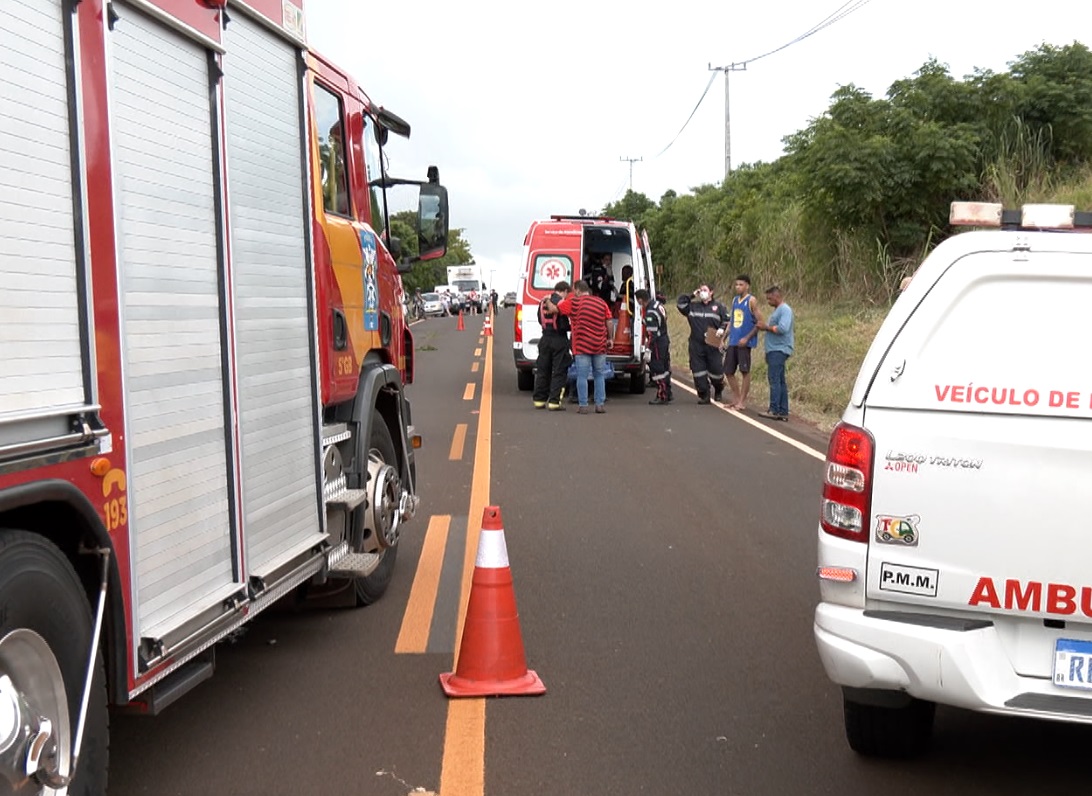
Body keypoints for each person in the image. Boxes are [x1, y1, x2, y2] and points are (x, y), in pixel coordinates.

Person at [550, 280, 613, 414]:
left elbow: (554, 309)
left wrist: (547, 300)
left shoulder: (574, 303)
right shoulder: (601, 302)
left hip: (582, 345)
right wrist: (610, 338)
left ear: (578, 290)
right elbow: (609, 321)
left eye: (574, 291)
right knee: (599, 375)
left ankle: (583, 405)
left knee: (582, 376)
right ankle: (599, 404)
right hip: (600, 344)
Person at [676, 284, 728, 404]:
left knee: (716, 372)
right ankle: (704, 394)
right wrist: (692, 295)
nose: (702, 293)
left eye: (705, 290)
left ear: (711, 292)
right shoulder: (693, 307)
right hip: (696, 343)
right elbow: (680, 304)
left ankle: (719, 389)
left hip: (713, 342)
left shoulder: (719, 307)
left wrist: (721, 329)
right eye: (700, 290)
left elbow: (727, 320)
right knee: (698, 371)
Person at [532, 281, 572, 411]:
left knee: (543, 369)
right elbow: (566, 322)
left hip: (545, 339)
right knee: (559, 371)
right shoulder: (561, 302)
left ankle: (539, 400)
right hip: (559, 339)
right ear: (565, 291)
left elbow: (539, 319)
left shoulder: (543, 302)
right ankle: (554, 402)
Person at [724, 274, 761, 411]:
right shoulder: (735, 300)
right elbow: (732, 321)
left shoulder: (751, 301)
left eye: (741, 284)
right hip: (733, 340)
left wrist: (747, 338)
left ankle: (742, 401)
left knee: (745, 371)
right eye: (736, 285)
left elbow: (760, 322)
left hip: (744, 343)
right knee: (728, 371)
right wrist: (724, 338)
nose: (738, 287)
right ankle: (736, 398)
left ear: (747, 286)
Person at [756, 285, 794, 420]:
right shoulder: (778, 310)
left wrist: (766, 327)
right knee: (780, 380)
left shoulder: (784, 310)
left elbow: (783, 328)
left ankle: (774, 409)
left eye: (770, 298)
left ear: (777, 296)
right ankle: (783, 410)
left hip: (779, 349)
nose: (768, 301)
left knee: (774, 379)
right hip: (774, 349)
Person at [636, 289, 672, 405]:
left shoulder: (650, 312)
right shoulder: (657, 305)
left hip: (657, 343)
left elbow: (652, 334)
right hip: (664, 339)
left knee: (657, 369)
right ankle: (668, 392)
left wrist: (648, 349)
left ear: (640, 300)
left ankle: (662, 395)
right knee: (665, 367)